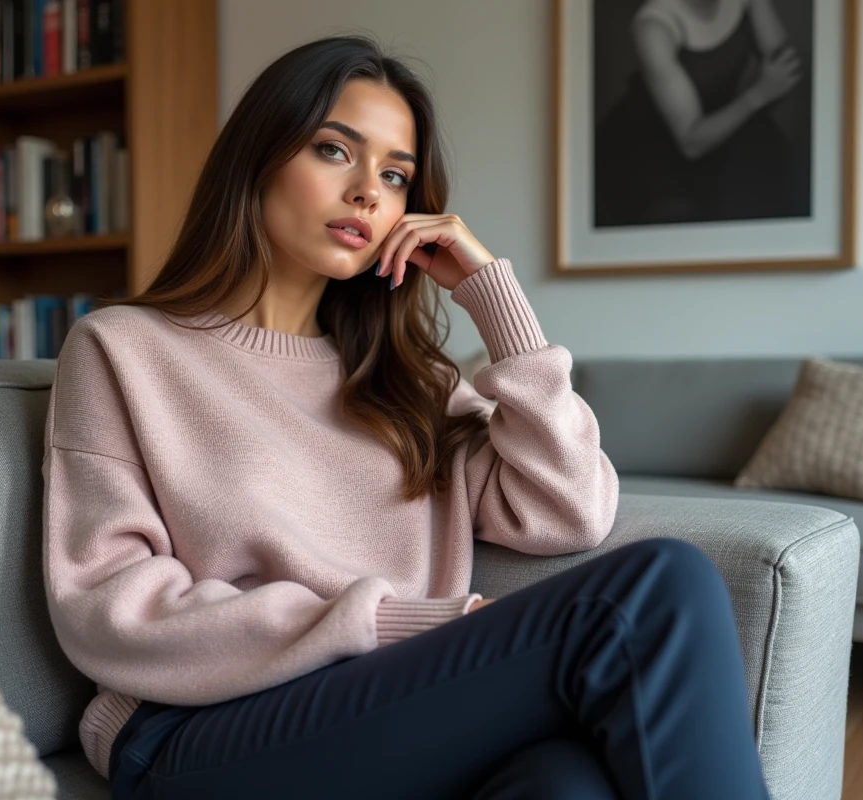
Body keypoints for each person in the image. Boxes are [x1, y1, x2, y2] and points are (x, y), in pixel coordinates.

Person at [41, 33, 772, 799]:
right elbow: (109, 607)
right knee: (658, 586)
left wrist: (494, 298)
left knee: (567, 784)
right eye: (334, 150)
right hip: (192, 729)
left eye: (395, 175)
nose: (368, 191)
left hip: (384, 712)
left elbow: (572, 511)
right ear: (257, 157)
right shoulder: (124, 350)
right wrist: (393, 623)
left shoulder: (409, 381)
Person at [594, 0, 806, 226]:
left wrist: (771, 82)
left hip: (728, 118)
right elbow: (690, 142)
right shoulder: (653, 26)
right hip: (659, 141)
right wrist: (760, 94)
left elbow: (785, 68)